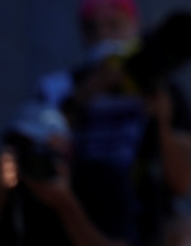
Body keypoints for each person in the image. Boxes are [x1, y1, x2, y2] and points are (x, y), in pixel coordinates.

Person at [35, 0, 191, 246]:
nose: (104, 36)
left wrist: (161, 123)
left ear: (136, 27)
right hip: (80, 203)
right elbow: (35, 150)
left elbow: (183, 184)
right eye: (94, 29)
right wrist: (87, 94)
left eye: (114, 26)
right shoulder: (59, 87)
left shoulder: (165, 92)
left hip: (147, 207)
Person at [0, 102, 125, 246]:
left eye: (40, 150)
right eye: (22, 149)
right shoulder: (13, 184)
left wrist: (65, 204)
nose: (33, 160)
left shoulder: (102, 179)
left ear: (67, 150)